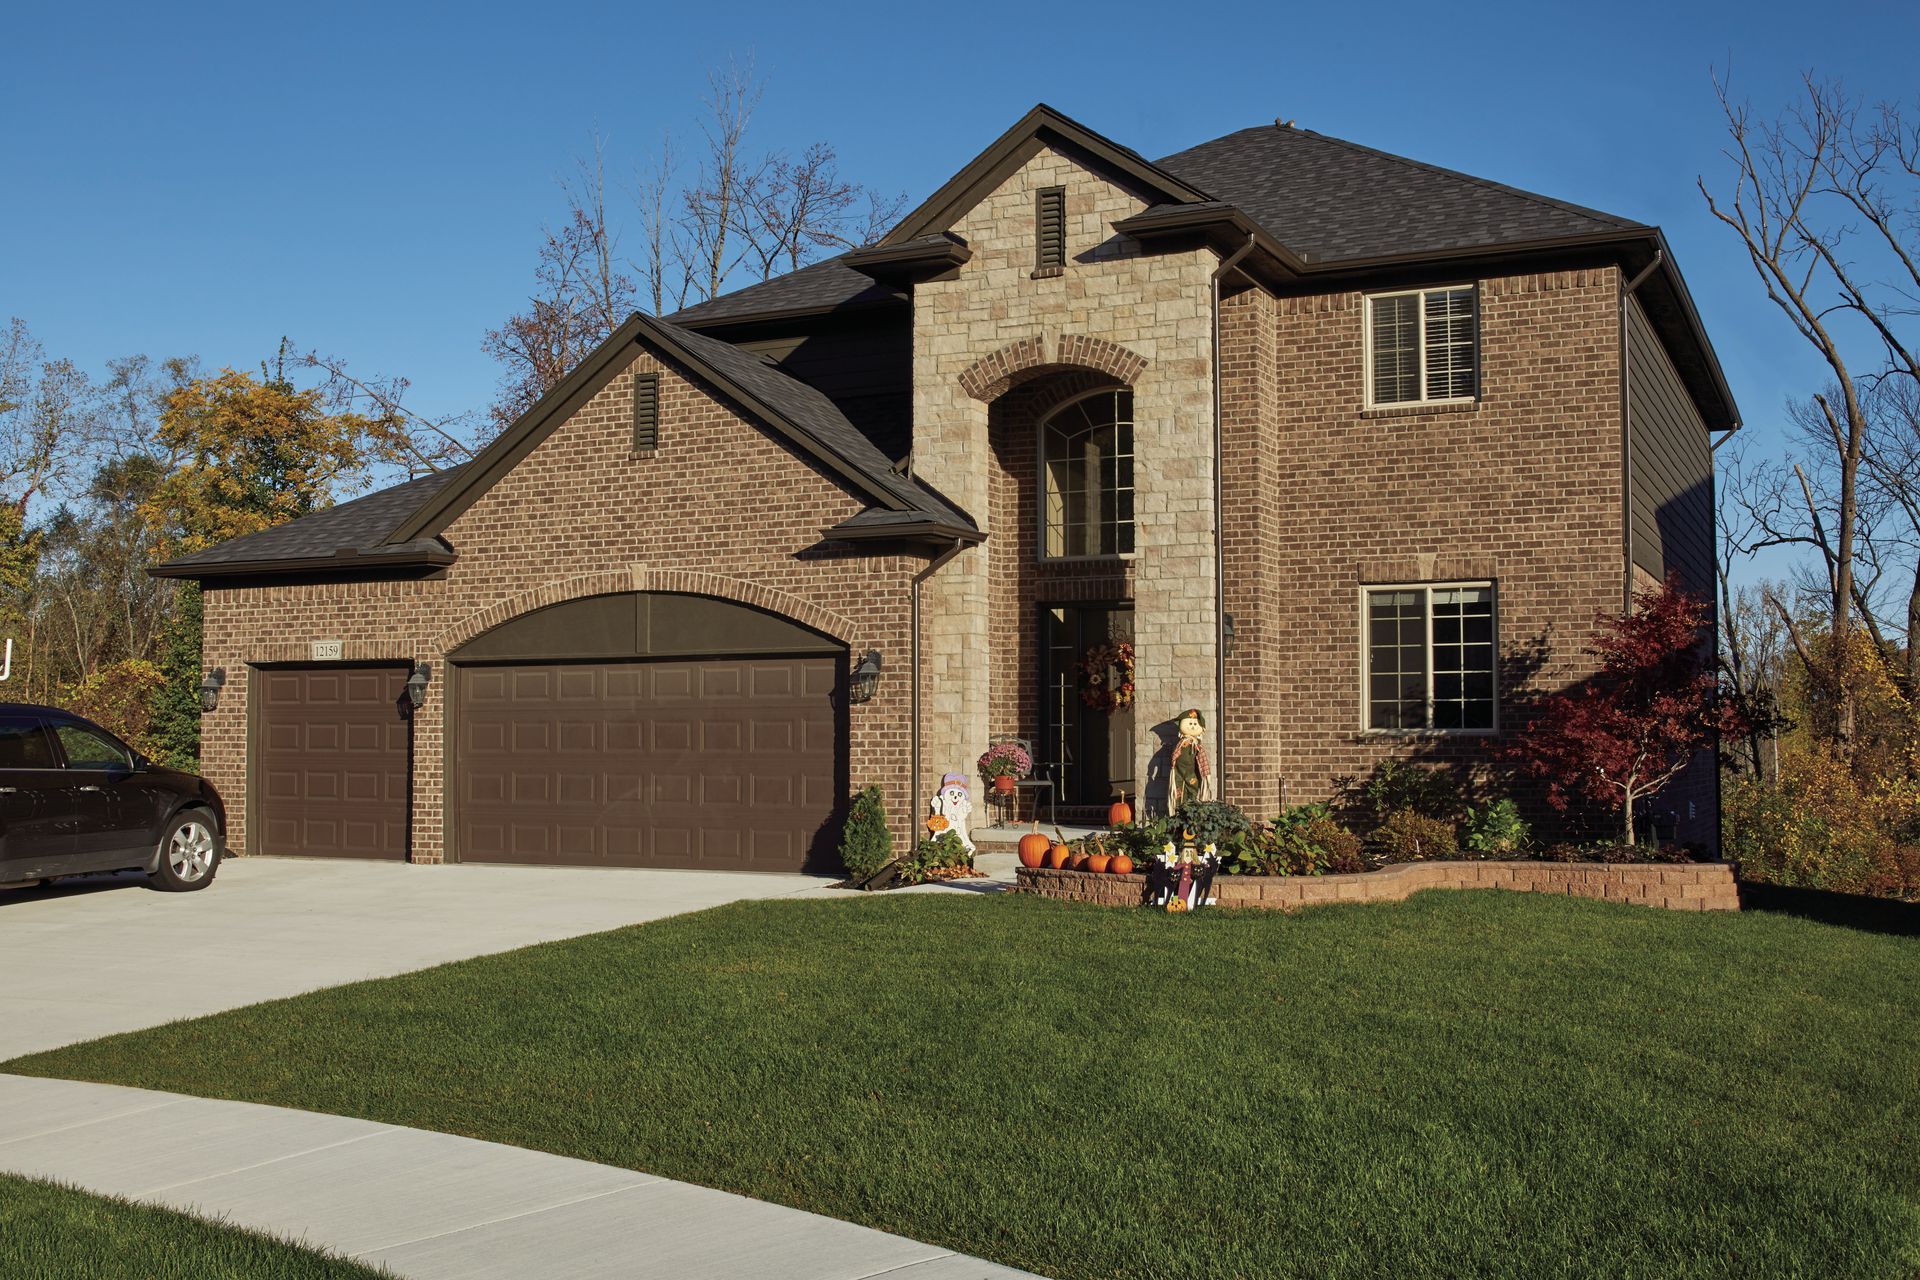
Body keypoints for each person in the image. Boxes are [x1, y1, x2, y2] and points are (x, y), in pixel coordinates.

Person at [1169, 707, 1210, 809]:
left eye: (1195, 724)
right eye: (1190, 724)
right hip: (1178, 774)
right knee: (1178, 794)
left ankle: (1192, 813)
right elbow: (1174, 755)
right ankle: (1177, 814)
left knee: (1193, 791)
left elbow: (1202, 759)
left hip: (1192, 774)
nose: (1192, 727)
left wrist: (1206, 773)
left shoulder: (1197, 746)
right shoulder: (1180, 744)